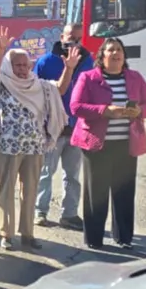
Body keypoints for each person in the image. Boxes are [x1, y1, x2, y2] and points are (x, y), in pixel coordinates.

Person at [68, 36, 146, 250]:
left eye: (119, 50)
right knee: (96, 194)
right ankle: (94, 238)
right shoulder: (88, 77)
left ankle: (124, 237)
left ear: (124, 56)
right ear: (102, 56)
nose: (116, 53)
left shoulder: (135, 77)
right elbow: (75, 106)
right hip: (97, 145)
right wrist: (105, 111)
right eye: (110, 50)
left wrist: (140, 111)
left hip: (126, 144)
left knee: (124, 193)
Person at [0, 28, 66, 251]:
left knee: (30, 191)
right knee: (6, 190)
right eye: (17, 65)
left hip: (34, 146)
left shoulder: (37, 84)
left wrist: (69, 68)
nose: (22, 69)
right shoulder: (2, 83)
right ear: (9, 66)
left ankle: (28, 234)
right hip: (6, 146)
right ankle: (6, 234)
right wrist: (0, 50)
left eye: (25, 65)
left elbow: (60, 89)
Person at [33, 26, 92, 230]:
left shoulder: (89, 62)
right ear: (61, 37)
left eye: (77, 39)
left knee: (73, 176)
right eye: (70, 38)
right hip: (52, 129)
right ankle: (39, 211)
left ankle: (70, 214)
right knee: (45, 172)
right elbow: (35, 92)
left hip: (77, 129)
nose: (73, 43)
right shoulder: (46, 62)